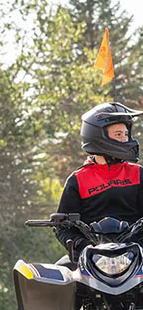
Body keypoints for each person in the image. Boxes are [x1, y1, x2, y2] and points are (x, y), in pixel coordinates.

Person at [55, 102, 143, 261]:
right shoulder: (77, 179)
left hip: (138, 253)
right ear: (98, 136)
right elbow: (62, 227)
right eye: (118, 134)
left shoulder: (138, 173)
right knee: (59, 274)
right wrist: (81, 245)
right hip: (92, 257)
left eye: (126, 134)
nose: (125, 139)